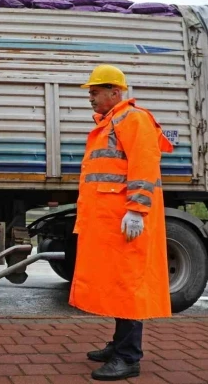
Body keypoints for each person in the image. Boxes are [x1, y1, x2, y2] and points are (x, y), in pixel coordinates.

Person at [69, 64, 173, 381]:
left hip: (126, 221)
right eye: (90, 91)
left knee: (128, 286)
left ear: (116, 92)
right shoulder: (112, 123)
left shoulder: (133, 119)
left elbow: (144, 165)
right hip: (112, 221)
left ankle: (129, 357)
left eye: (95, 91)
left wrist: (137, 210)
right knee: (118, 283)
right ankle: (118, 345)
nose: (90, 96)